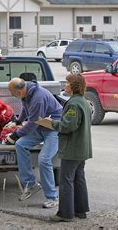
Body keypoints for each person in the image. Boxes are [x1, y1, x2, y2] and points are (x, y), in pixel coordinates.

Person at [6, 77, 63, 209]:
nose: (11, 95)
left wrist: (15, 134)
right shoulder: (27, 93)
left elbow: (32, 123)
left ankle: (52, 197)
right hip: (41, 126)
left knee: (44, 159)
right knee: (20, 145)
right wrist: (18, 121)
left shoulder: (38, 98)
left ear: (19, 92)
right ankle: (31, 184)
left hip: (53, 128)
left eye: (12, 93)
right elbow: (26, 109)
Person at [45, 73, 92, 222]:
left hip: (72, 149)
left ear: (73, 86)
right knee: (79, 179)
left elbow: (68, 126)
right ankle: (81, 210)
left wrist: (51, 123)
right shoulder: (83, 101)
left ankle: (65, 214)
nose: (65, 85)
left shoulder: (73, 104)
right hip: (82, 148)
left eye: (67, 82)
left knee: (66, 181)